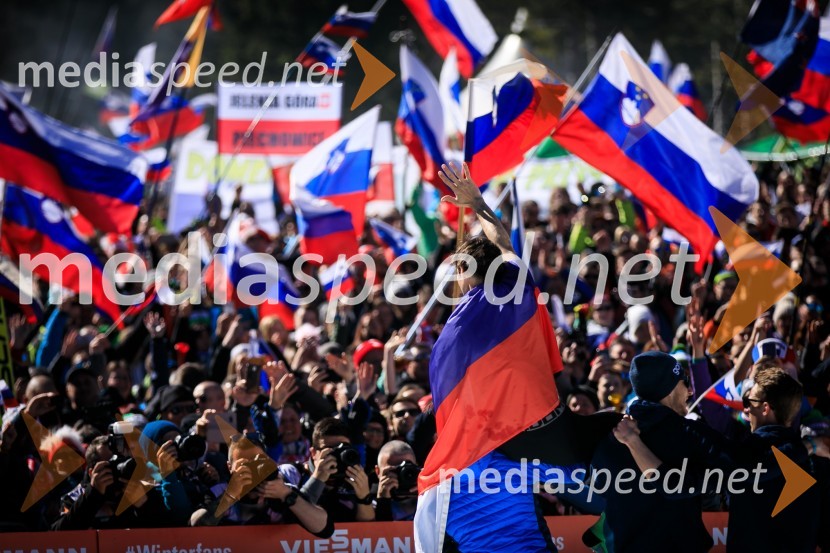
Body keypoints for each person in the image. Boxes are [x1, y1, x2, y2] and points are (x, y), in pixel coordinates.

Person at [616, 367, 821, 553]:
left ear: (765, 408)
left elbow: (676, 485)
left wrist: (633, 441)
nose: (745, 410)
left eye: (749, 402)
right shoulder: (817, 458)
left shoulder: (739, 454)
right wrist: (808, 446)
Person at [591, 350, 718, 553]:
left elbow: (597, 490)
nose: (690, 391)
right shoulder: (691, 435)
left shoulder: (607, 438)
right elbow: (723, 477)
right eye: (685, 381)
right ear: (669, 390)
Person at [300, 417, 374, 522]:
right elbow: (292, 515)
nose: (336, 456)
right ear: (313, 454)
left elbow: (369, 531)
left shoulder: (353, 478)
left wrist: (364, 497)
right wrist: (318, 478)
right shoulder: (293, 474)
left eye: (343, 449)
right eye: (330, 451)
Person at [374, 440, 419, 521]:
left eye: (407, 470)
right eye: (394, 470)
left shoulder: (428, 495)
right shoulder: (368, 504)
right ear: (378, 471)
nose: (400, 476)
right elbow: (380, 532)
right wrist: (382, 500)